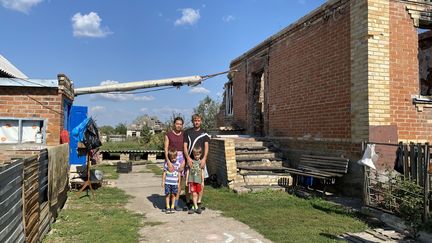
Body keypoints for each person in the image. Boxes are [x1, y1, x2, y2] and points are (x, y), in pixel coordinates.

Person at [183, 114, 210, 210]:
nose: (196, 122)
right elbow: (185, 146)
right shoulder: (187, 132)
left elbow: (206, 147)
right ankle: (188, 202)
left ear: (201, 121)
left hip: (200, 162)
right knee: (188, 182)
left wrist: (204, 159)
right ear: (192, 121)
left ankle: (198, 202)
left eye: (198, 120)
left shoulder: (205, 133)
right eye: (195, 120)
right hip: (190, 161)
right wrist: (188, 158)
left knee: (201, 182)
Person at [164, 117, 185, 211]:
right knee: (169, 181)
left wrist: (184, 162)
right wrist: (168, 161)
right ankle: (168, 204)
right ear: (174, 124)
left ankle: (175, 204)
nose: (179, 125)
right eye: (177, 123)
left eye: (180, 124)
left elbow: (186, 149)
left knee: (178, 182)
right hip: (171, 158)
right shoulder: (168, 134)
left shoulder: (184, 135)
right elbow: (165, 149)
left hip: (181, 159)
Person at [185, 146, 204, 214]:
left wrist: (202, 181)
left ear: (200, 154)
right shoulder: (191, 162)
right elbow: (188, 171)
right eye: (195, 155)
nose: (196, 156)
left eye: (198, 155)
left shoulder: (201, 162)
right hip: (192, 180)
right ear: (193, 154)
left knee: (198, 193)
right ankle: (196, 207)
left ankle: (193, 206)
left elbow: (202, 172)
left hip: (198, 180)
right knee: (193, 194)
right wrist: (187, 179)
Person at [162, 148, 181, 214]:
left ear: (176, 156)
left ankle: (172, 207)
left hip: (174, 183)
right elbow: (164, 173)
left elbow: (179, 173)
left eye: (174, 158)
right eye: (171, 158)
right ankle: (167, 207)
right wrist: (163, 181)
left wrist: (179, 182)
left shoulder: (178, 164)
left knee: (173, 195)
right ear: (169, 157)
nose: (173, 159)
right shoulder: (167, 164)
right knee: (167, 195)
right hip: (167, 182)